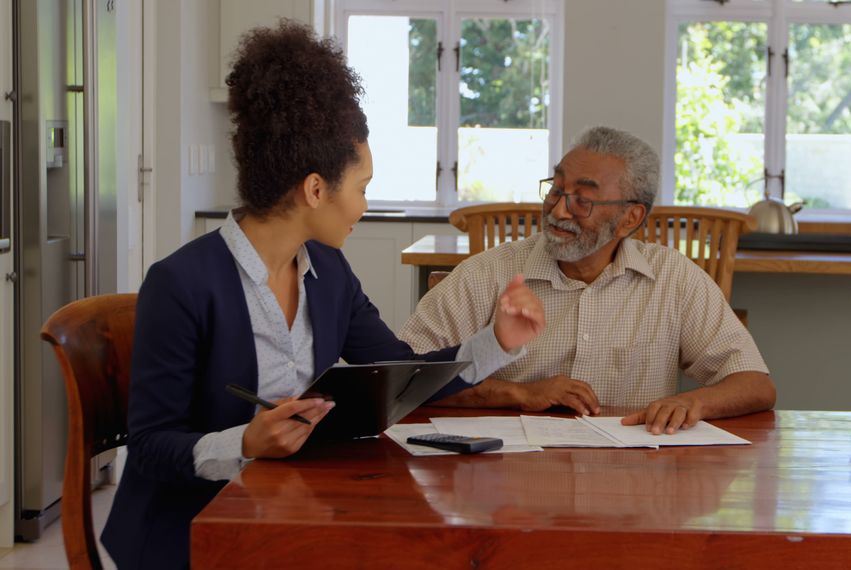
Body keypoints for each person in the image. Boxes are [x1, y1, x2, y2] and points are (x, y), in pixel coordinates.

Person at [100, 22, 544, 569]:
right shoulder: (181, 283)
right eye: (361, 188)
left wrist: (496, 341)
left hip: (286, 513)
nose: (363, 205)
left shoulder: (329, 271)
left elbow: (398, 373)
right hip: (193, 531)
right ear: (315, 189)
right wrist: (244, 442)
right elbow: (148, 446)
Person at [399, 126, 774, 435]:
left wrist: (694, 402)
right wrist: (519, 394)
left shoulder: (673, 279)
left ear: (630, 218)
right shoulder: (486, 275)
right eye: (556, 190)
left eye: (583, 200)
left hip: (632, 484)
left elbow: (756, 384)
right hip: (509, 489)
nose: (559, 209)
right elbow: (400, 381)